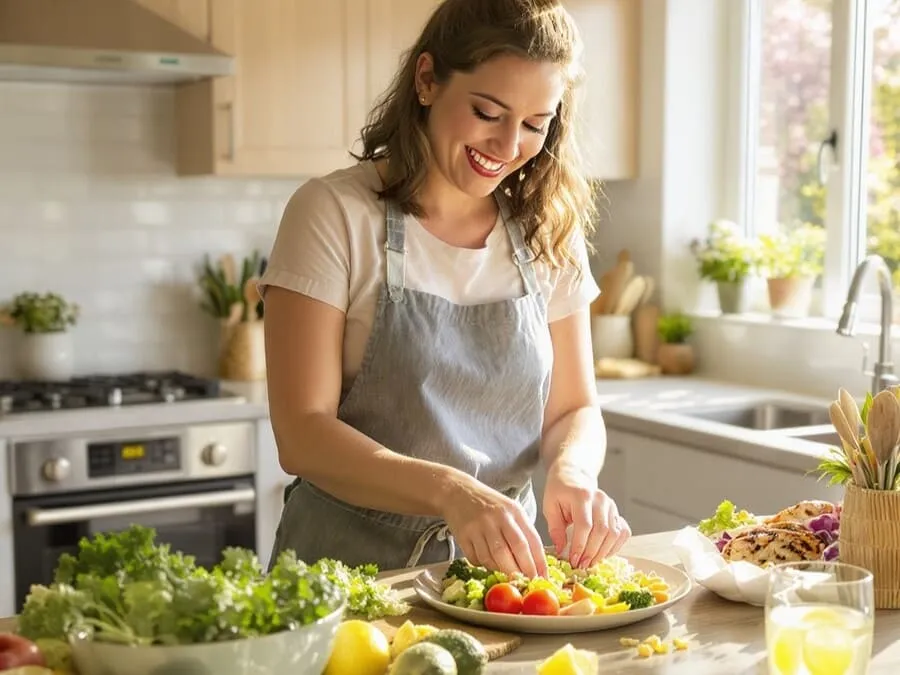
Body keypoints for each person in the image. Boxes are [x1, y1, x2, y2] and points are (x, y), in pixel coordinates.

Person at [257, 0, 631, 579]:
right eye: (488, 112)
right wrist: (453, 492)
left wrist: (573, 472)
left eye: (536, 124)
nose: (509, 147)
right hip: (343, 576)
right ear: (427, 79)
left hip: (498, 581)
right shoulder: (332, 213)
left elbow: (574, 407)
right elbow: (301, 433)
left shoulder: (547, 228)